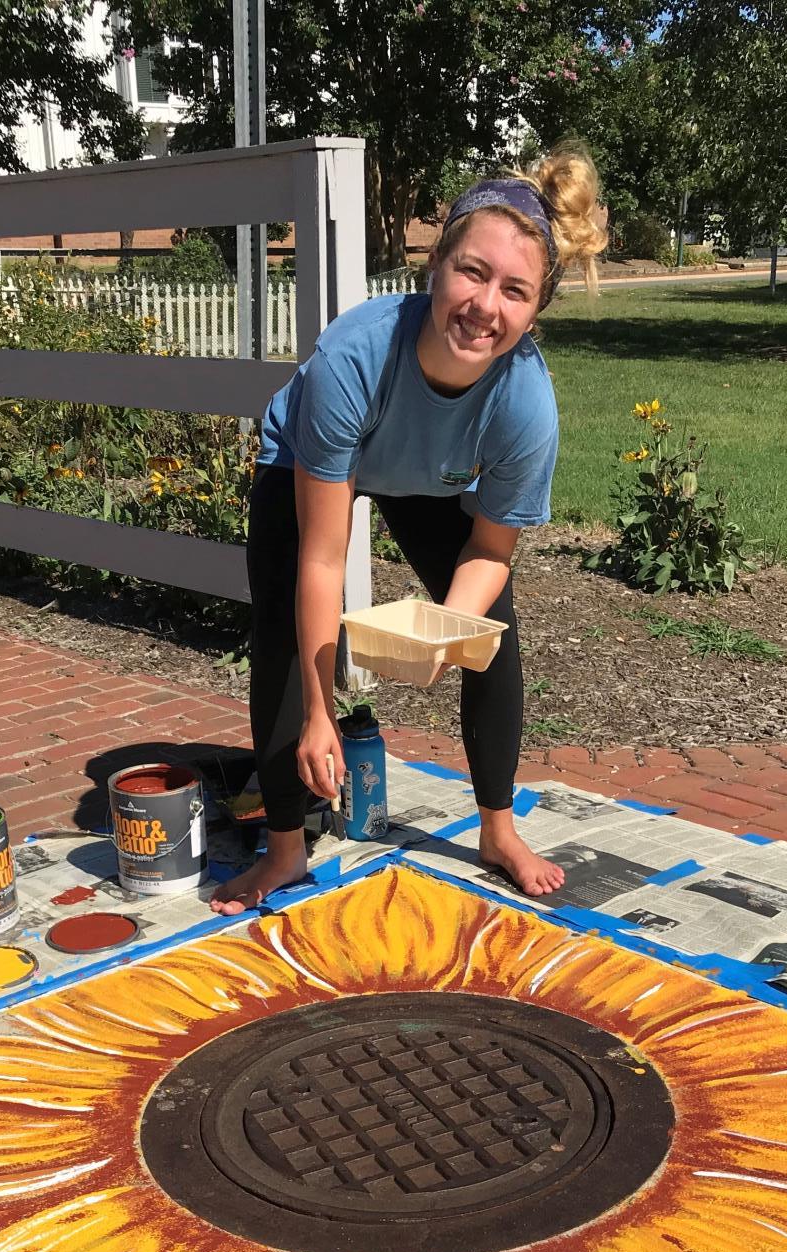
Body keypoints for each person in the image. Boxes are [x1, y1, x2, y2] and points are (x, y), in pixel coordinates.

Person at [210, 145, 606, 916]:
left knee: (492, 632)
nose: (486, 305)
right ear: (435, 266)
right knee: (285, 637)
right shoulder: (353, 355)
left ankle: (498, 829)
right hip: (316, 456)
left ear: (535, 311)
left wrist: (442, 631)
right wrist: (322, 713)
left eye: (515, 291)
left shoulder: (527, 403)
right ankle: (286, 849)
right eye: (472, 272)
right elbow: (323, 561)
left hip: (431, 475)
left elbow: (490, 551)